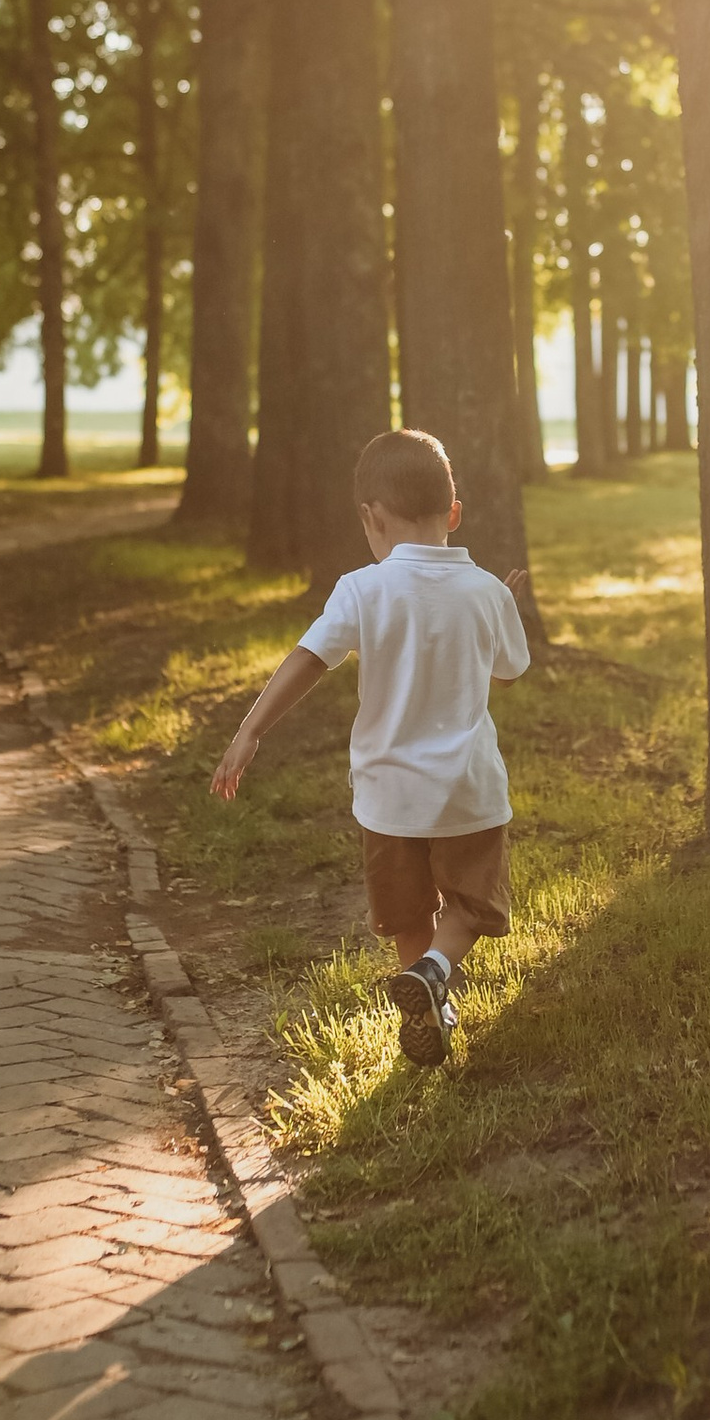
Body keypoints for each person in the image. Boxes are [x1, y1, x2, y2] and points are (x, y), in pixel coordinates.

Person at [209, 428, 531, 1068]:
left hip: (387, 796)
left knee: (406, 913)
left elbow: (309, 659)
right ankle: (438, 972)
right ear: (455, 513)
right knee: (473, 902)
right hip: (467, 789)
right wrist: (504, 608)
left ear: (371, 517)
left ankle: (428, 997)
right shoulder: (488, 591)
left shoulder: (362, 588)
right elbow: (508, 672)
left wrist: (249, 731)